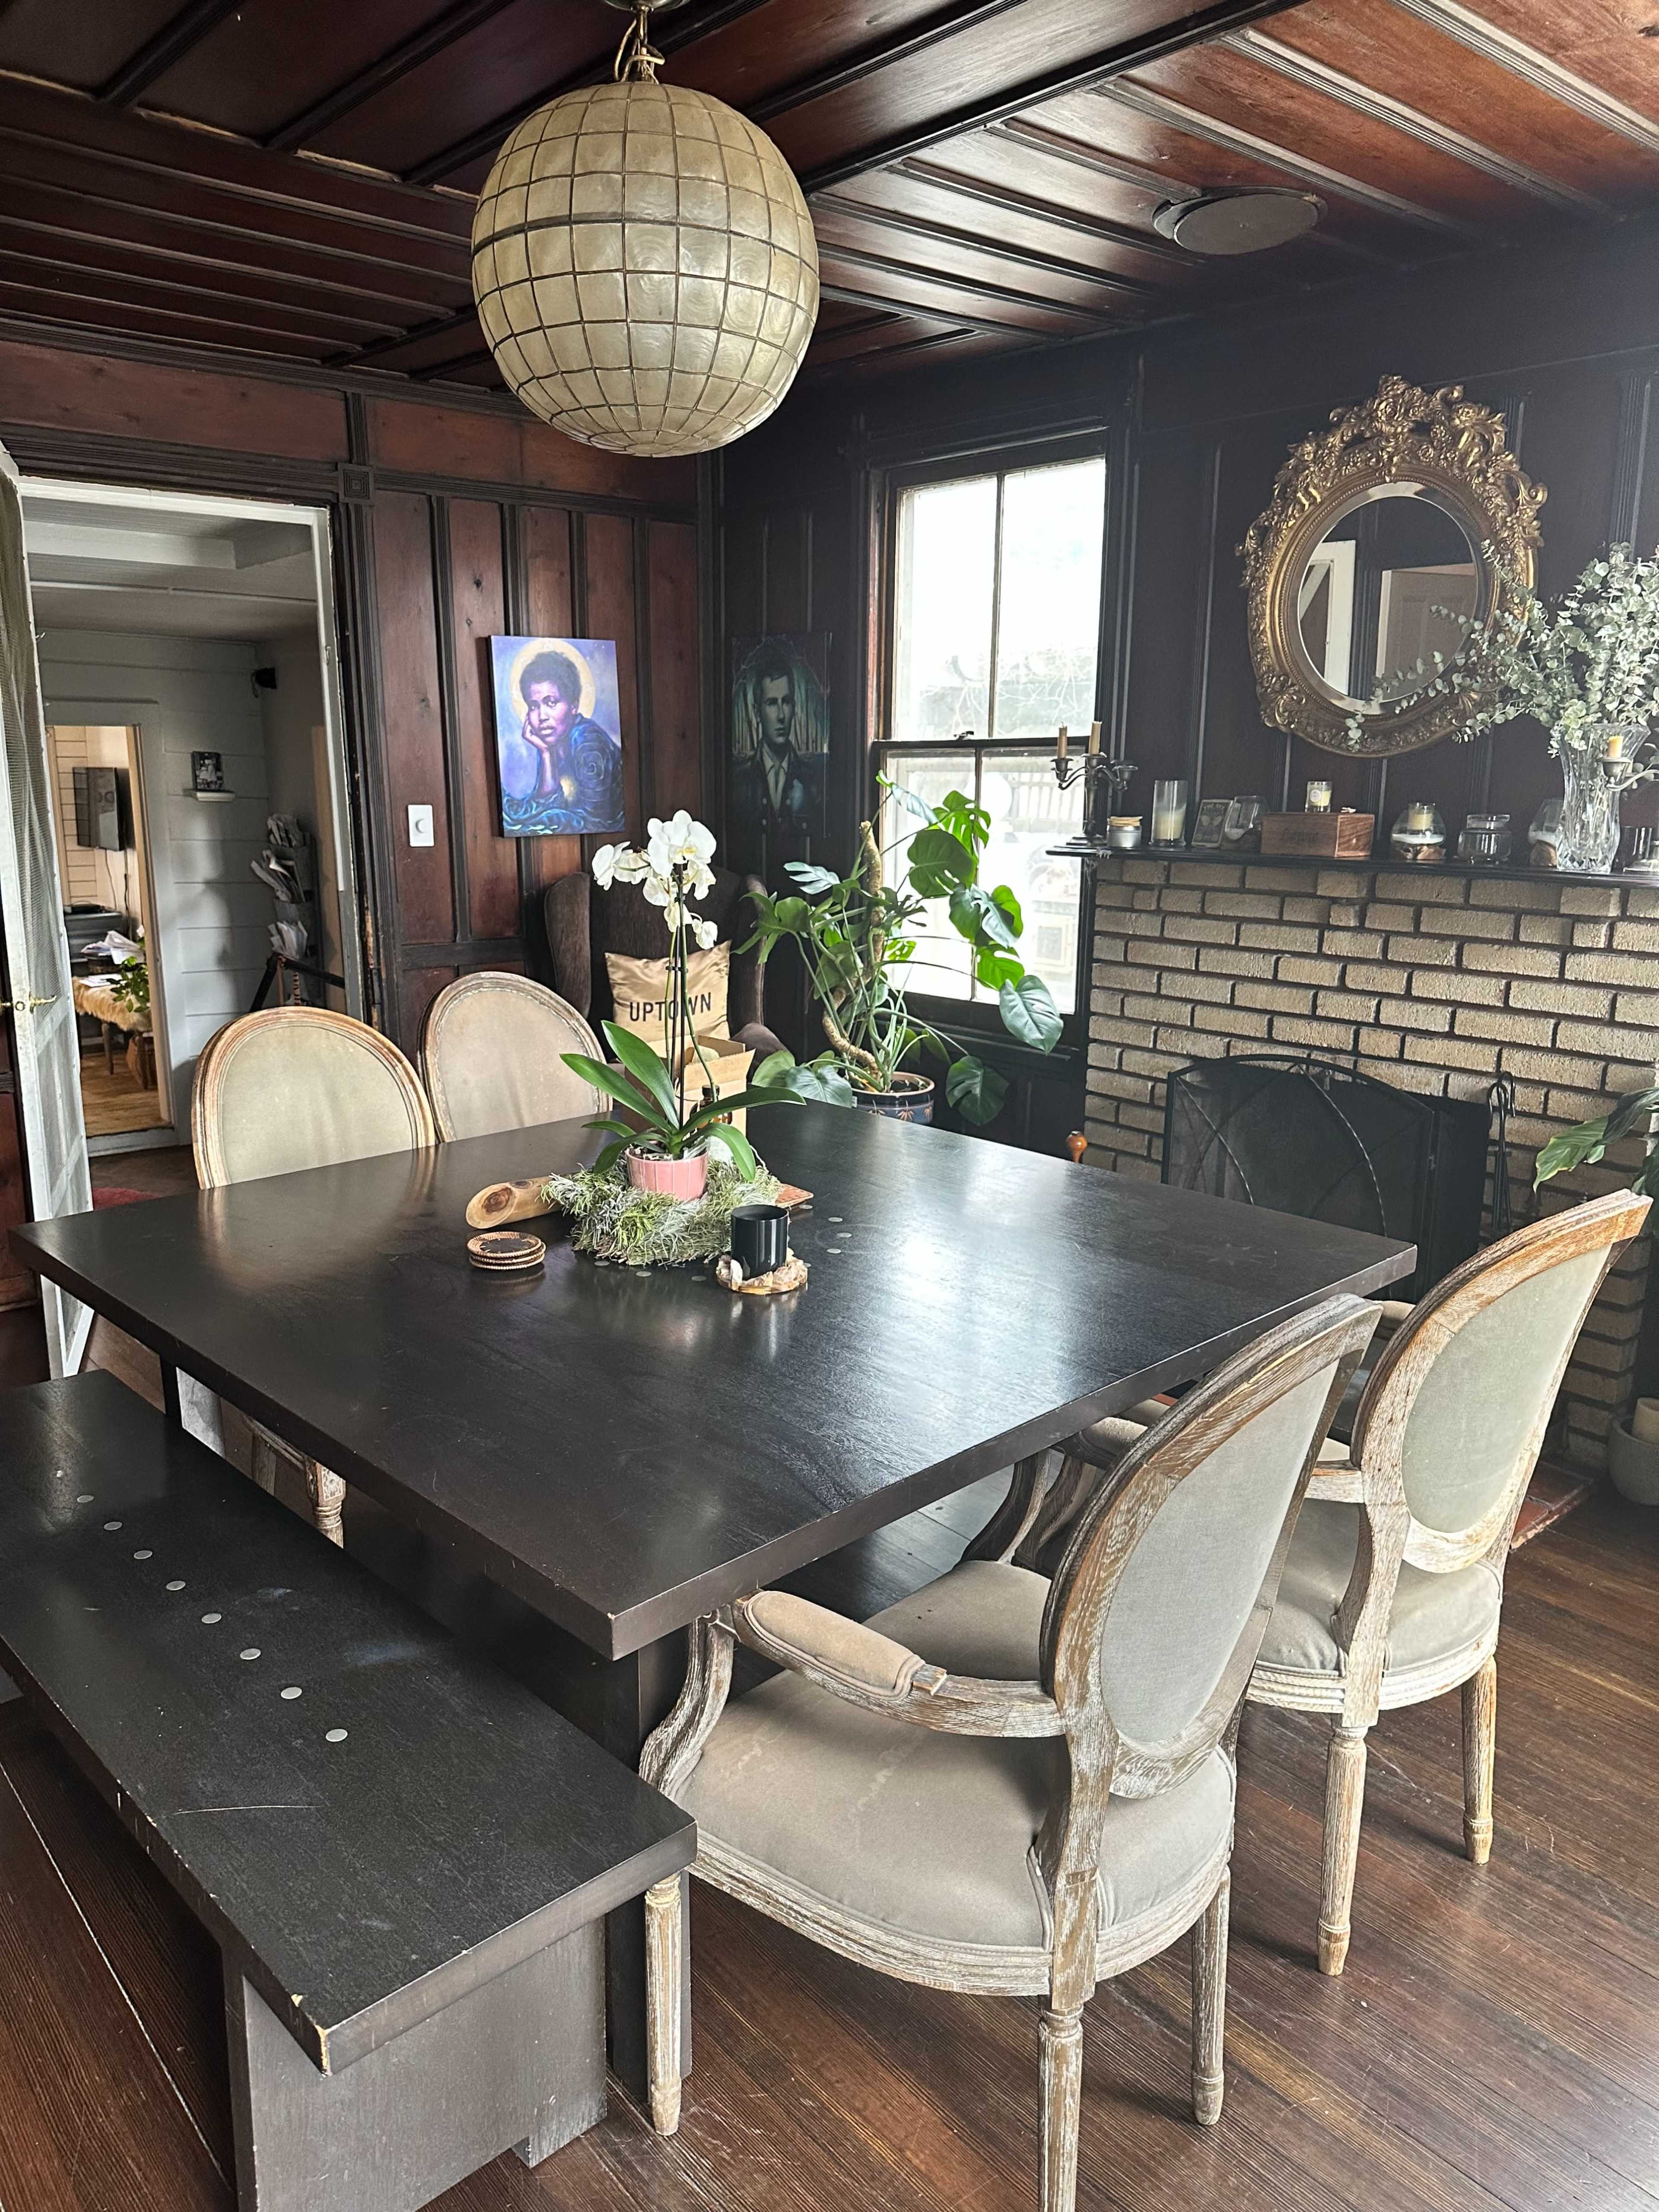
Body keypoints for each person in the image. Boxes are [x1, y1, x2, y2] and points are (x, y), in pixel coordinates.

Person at [511, 648, 624, 833]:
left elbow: (598, 822)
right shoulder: (550, 744)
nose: (542, 716)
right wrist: (546, 754)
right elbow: (546, 803)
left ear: (574, 705)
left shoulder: (588, 742)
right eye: (534, 706)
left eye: (551, 703)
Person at [731, 642, 823, 830]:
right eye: (772, 704)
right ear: (758, 713)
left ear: (794, 707)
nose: (781, 716)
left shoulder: (812, 781)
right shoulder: (739, 781)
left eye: (787, 702)